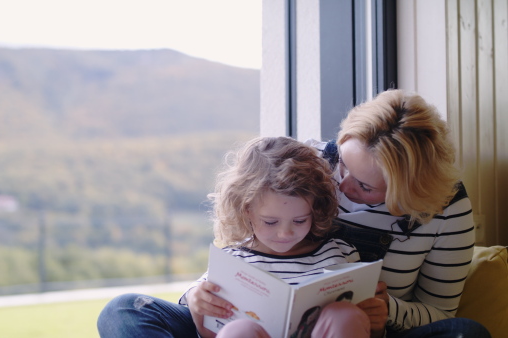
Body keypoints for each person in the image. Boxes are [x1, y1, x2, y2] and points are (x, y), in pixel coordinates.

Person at [97, 136, 383, 338]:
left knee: (343, 315)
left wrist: (375, 318)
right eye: (270, 221)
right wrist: (199, 303)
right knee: (239, 331)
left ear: (315, 209)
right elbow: (205, 329)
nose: (286, 232)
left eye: (300, 220)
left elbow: (364, 326)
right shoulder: (233, 259)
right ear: (247, 211)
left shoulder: (338, 251)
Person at [307, 89, 491, 338]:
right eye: (342, 164)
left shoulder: (447, 208)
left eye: (365, 186)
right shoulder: (307, 164)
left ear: (410, 192)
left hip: (381, 331)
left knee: (466, 332)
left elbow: (440, 313)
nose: (342, 186)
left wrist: (388, 309)